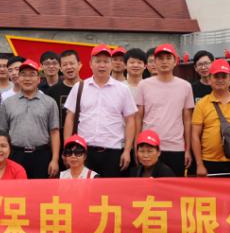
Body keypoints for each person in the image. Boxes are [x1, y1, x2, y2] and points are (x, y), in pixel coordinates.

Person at [63, 45, 137, 178]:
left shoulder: (123, 89)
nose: (102, 65)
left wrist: (127, 150)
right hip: (84, 152)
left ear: (111, 64)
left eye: (106, 61)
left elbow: (130, 120)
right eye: (98, 61)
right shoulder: (79, 87)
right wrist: (67, 149)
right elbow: (70, 118)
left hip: (113, 152)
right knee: (85, 189)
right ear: (91, 64)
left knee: (111, 189)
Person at [135, 43, 194, 176]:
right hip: (148, 147)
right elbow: (138, 117)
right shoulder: (144, 85)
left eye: (168, 58)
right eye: (160, 58)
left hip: (175, 146)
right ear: (154, 62)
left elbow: (187, 120)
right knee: (147, 187)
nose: (164, 62)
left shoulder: (185, 86)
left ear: (175, 61)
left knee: (173, 187)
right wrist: (136, 145)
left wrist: (188, 149)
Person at [0, 59, 60, 178]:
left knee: (40, 189)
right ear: (18, 78)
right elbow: (1, 132)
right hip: (15, 155)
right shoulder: (8, 103)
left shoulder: (49, 102)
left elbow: (54, 132)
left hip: (42, 155)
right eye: (23, 75)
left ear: (39, 79)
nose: (27, 79)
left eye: (32, 75)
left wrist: (55, 160)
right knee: (16, 189)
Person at [47, 50, 81, 141]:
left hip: (85, 141)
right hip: (60, 142)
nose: (69, 67)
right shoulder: (52, 91)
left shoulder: (88, 88)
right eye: (65, 65)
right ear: (60, 68)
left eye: (72, 63)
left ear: (79, 65)